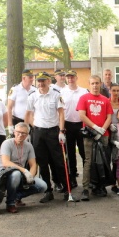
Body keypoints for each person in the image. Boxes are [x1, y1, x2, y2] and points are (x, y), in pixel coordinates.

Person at [25, 72, 67, 203]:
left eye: (44, 81)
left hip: (53, 132)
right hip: (38, 132)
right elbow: (28, 115)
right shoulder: (32, 96)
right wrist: (33, 126)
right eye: (39, 81)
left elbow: (61, 114)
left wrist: (61, 131)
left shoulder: (56, 94)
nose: (41, 83)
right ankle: (48, 191)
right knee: (42, 163)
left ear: (49, 81)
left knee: (58, 161)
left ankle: (66, 189)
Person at [77, 75, 113, 201]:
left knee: (103, 161)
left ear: (100, 84)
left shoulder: (105, 100)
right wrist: (95, 127)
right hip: (89, 135)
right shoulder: (83, 98)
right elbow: (82, 115)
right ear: (89, 84)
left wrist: (102, 129)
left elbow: (109, 117)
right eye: (92, 83)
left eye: (97, 83)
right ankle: (86, 188)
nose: (95, 86)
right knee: (88, 161)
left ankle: (101, 186)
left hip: (104, 135)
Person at [0, 123, 47, 213]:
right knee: (16, 174)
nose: (20, 135)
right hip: (6, 173)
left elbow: (33, 164)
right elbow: (6, 162)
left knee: (43, 186)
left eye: (24, 133)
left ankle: (16, 196)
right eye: (18, 132)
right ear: (14, 132)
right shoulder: (7, 143)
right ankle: (10, 203)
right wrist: (24, 170)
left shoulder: (29, 146)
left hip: (22, 174)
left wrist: (30, 176)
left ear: (27, 134)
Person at [60, 69, 88, 188]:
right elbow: (59, 111)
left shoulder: (84, 91)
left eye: (72, 77)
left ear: (76, 78)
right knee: (70, 153)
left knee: (84, 152)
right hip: (67, 125)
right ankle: (72, 178)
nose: (70, 79)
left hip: (81, 124)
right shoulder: (61, 92)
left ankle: (88, 178)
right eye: (68, 77)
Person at [7, 69, 36, 136]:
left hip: (31, 121)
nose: (32, 79)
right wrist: (10, 124)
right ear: (23, 78)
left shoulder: (35, 90)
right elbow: (9, 107)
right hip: (18, 121)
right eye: (30, 77)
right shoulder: (15, 89)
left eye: (32, 77)